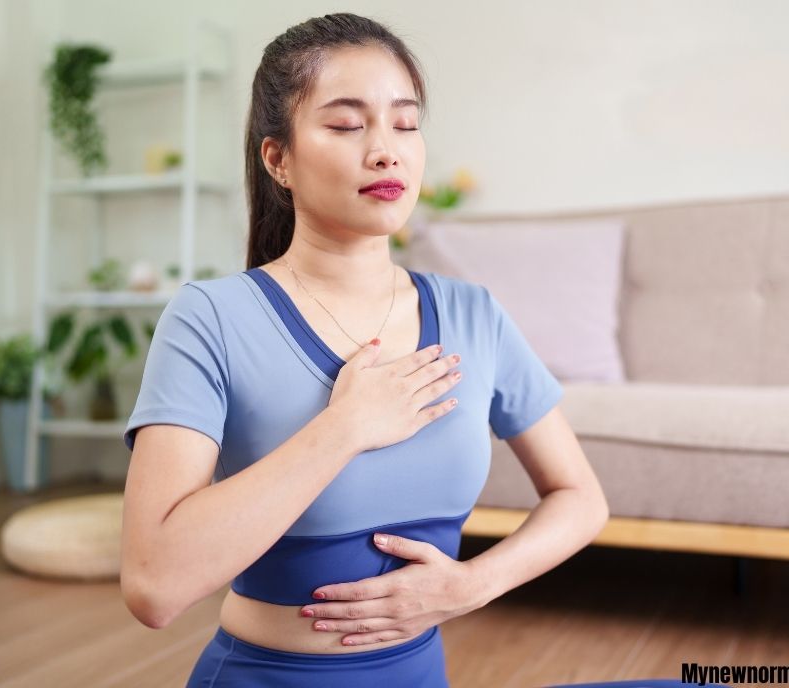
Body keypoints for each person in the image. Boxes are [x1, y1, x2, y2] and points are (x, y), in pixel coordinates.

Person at [119, 12, 609, 688]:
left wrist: (472, 585)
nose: (387, 150)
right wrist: (346, 427)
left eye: (406, 124)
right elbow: (153, 585)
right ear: (278, 159)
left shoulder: (473, 314)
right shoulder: (211, 317)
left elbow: (581, 497)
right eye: (347, 125)